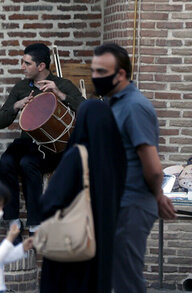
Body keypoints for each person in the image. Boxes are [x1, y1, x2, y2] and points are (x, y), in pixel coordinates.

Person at [90, 43, 176, 293]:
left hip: (133, 202)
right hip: (117, 202)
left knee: (127, 279)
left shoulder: (135, 107)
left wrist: (157, 196)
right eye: (94, 71)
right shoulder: (114, 104)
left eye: (102, 72)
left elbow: (153, 166)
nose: (96, 77)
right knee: (115, 276)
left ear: (121, 74)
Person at [0, 43, 85, 238]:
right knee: (5, 163)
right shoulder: (20, 88)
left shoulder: (62, 85)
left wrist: (60, 95)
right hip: (27, 143)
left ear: (41, 66)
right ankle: (12, 220)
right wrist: (17, 105)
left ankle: (35, 223)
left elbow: (86, 110)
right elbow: (0, 122)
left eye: (27, 63)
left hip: (54, 147)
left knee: (28, 164)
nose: (22, 67)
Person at [39, 100, 127, 293]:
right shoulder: (116, 159)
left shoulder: (77, 157)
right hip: (102, 246)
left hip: (73, 248)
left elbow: (50, 202)